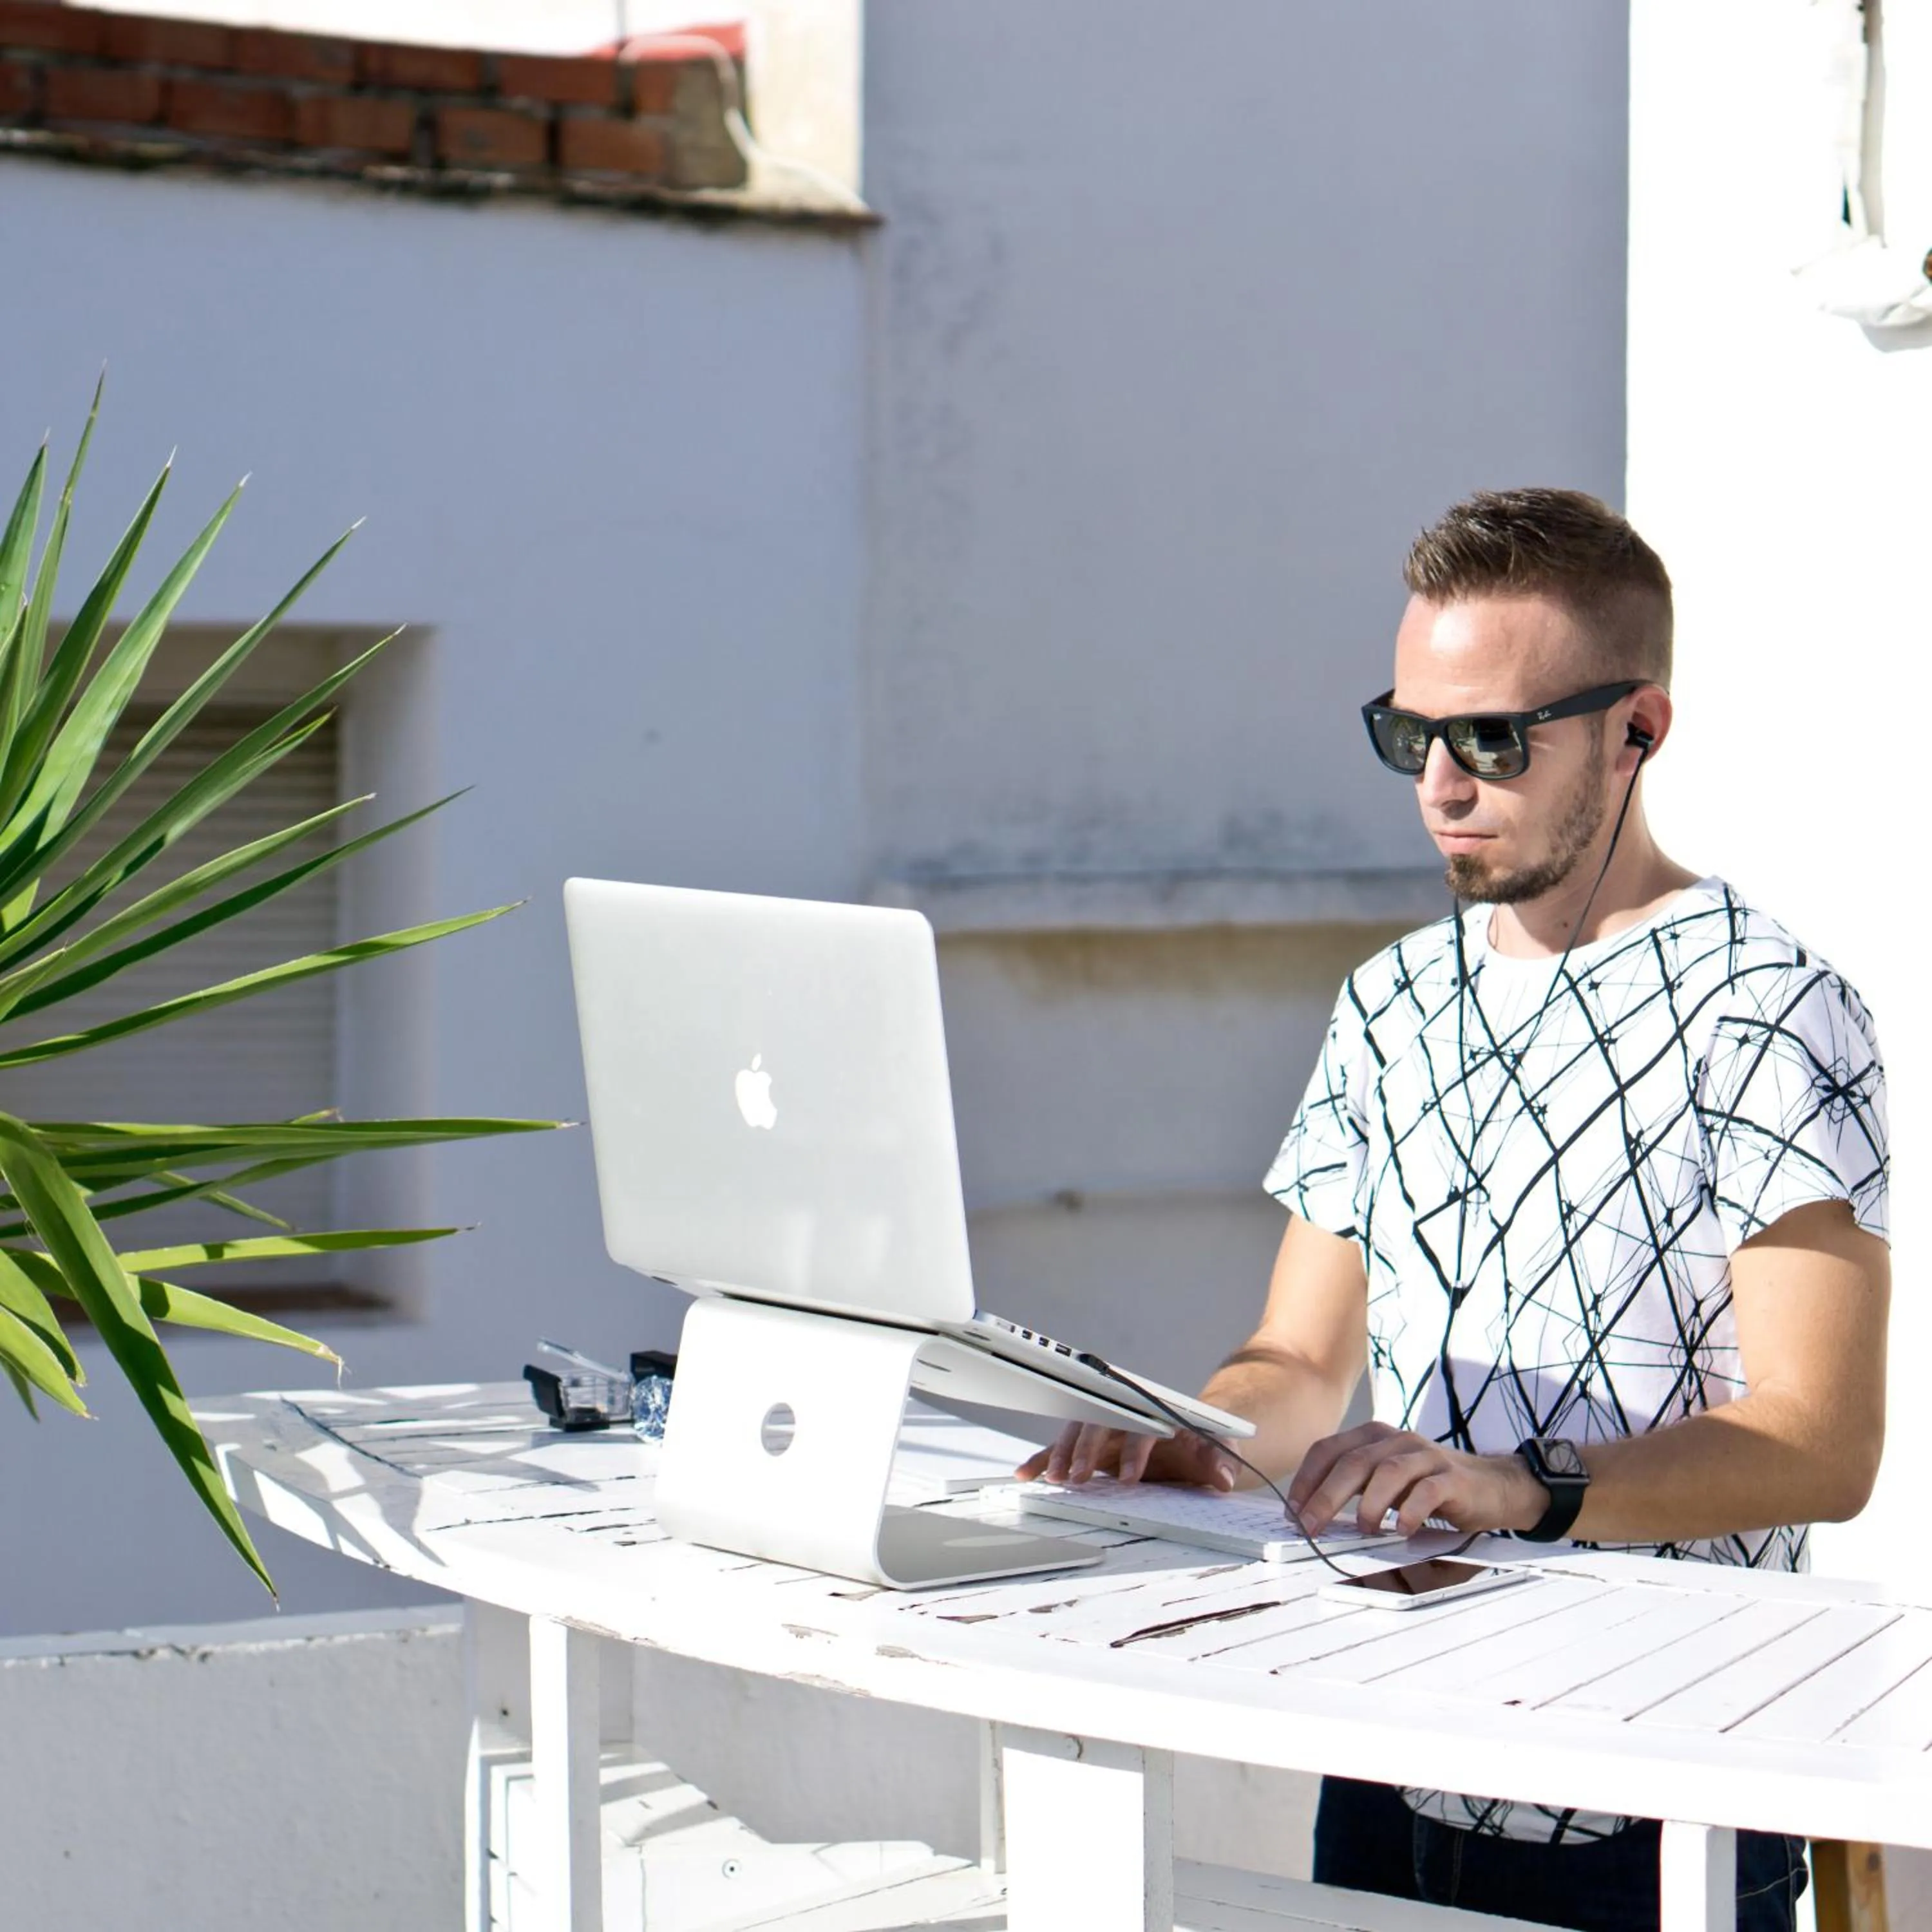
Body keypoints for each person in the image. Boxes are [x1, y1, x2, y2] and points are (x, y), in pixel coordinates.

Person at [1017, 489, 1891, 1932]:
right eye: (1408, 734)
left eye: (1490, 739)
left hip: (1659, 1792)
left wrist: (1527, 1490)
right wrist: (1199, 1441)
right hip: (1388, 1747)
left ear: (1638, 729)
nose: (1440, 784)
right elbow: (1300, 1364)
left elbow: (1821, 1442)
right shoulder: (1390, 1001)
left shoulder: (1772, 1009)